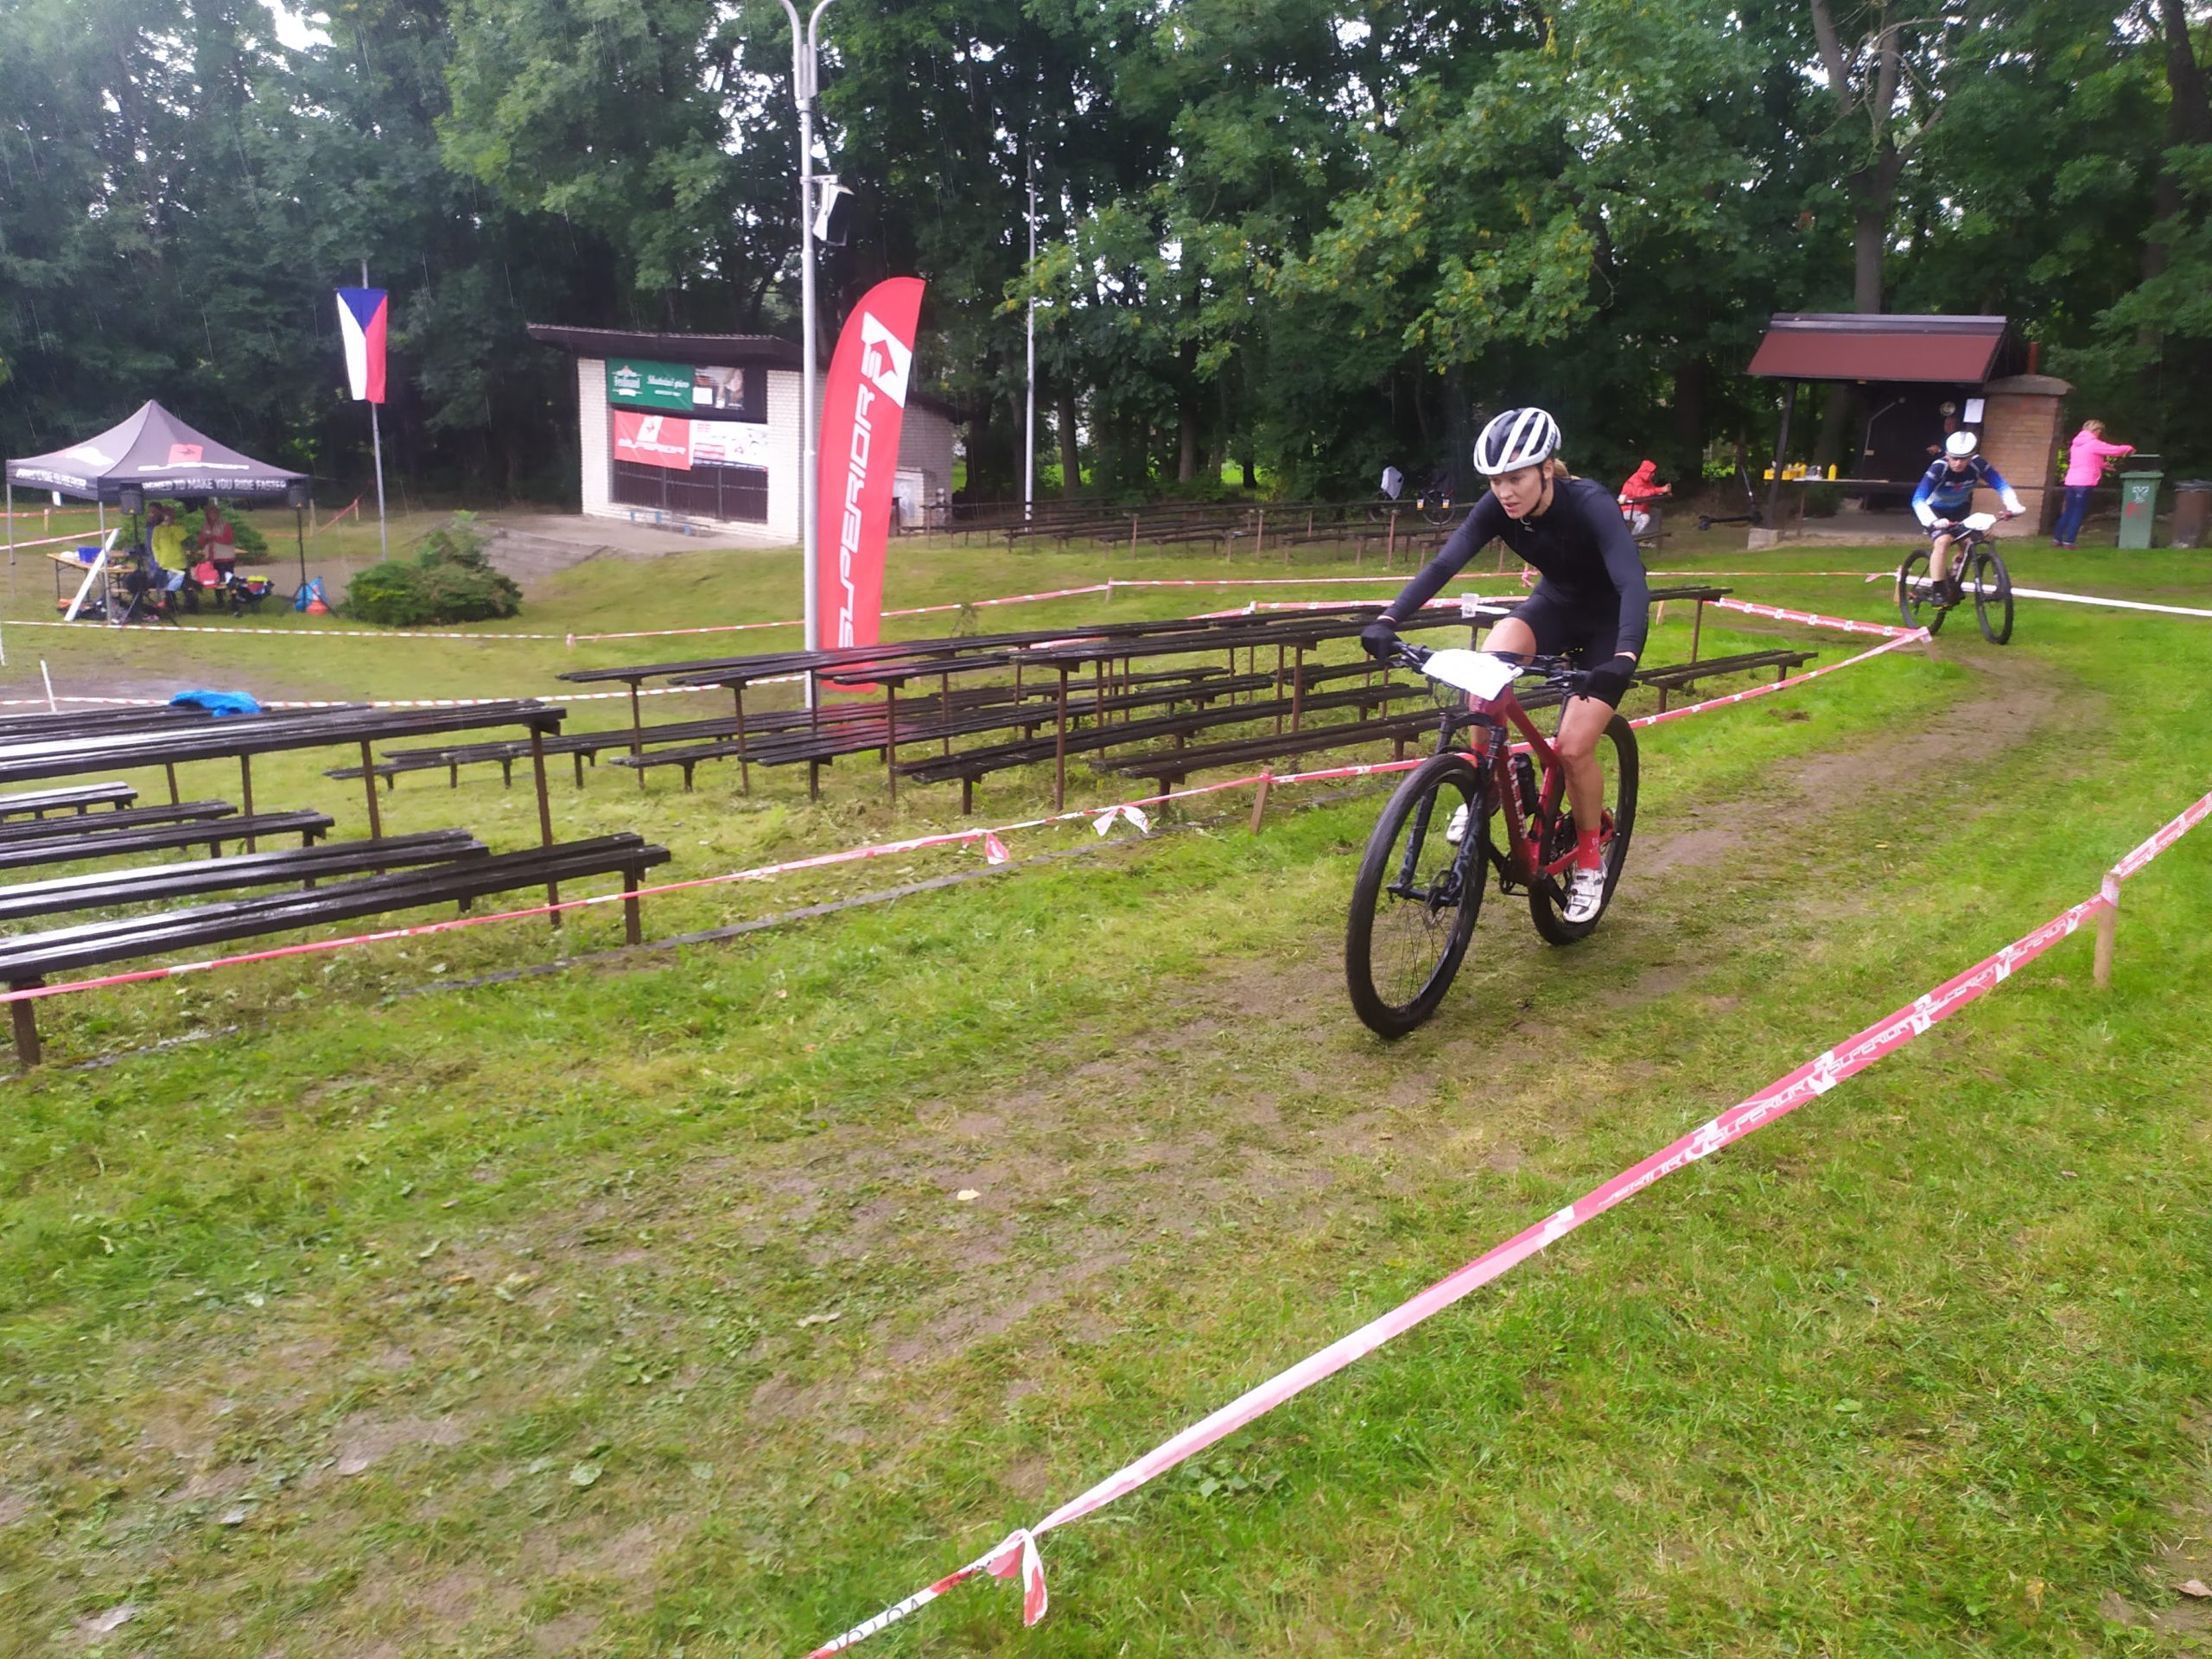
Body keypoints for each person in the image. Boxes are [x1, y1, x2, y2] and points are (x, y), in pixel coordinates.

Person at [1362, 406, 1650, 925]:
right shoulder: (1497, 507)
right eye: (1495, 481)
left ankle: (1589, 859)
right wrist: (1388, 619)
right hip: (1555, 607)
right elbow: (1445, 563)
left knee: (1573, 748)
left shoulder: (1590, 503)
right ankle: (1488, 783)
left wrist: (1624, 658)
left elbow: (1632, 581)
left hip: (1608, 626)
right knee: (1485, 670)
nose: (1505, 492)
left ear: (1546, 469)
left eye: (1515, 478)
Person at [1911, 430, 2023, 598]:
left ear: (1971, 456)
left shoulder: (1978, 465)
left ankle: (1955, 577)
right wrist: (1932, 521)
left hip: (1960, 510)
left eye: (1963, 459)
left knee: (1974, 542)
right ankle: (1939, 591)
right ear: (1947, 455)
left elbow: (2001, 485)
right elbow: (1918, 499)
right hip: (1936, 512)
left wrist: (2013, 505)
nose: (1958, 463)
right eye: (1954, 458)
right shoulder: (1939, 468)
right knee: (1943, 541)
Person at [2054, 420, 2133, 549]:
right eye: (2099, 430)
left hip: (2071, 481)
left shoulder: (2076, 444)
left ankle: (2057, 539)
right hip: (2085, 482)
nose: (2099, 433)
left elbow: (2087, 459)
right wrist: (2128, 448)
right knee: (2078, 512)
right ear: (2095, 430)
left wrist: (2103, 465)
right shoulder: (2093, 443)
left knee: (2069, 511)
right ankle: (2069, 542)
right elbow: (2113, 450)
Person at [1616, 459, 1670, 536]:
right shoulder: (1635, 480)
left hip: (1640, 509)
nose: (1653, 474)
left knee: (1656, 513)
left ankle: (1648, 537)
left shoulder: (1647, 481)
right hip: (1627, 509)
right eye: (1651, 472)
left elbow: (1652, 490)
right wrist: (1661, 489)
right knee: (1644, 518)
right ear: (1646, 472)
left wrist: (1664, 491)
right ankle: (1634, 538)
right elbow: (1641, 493)